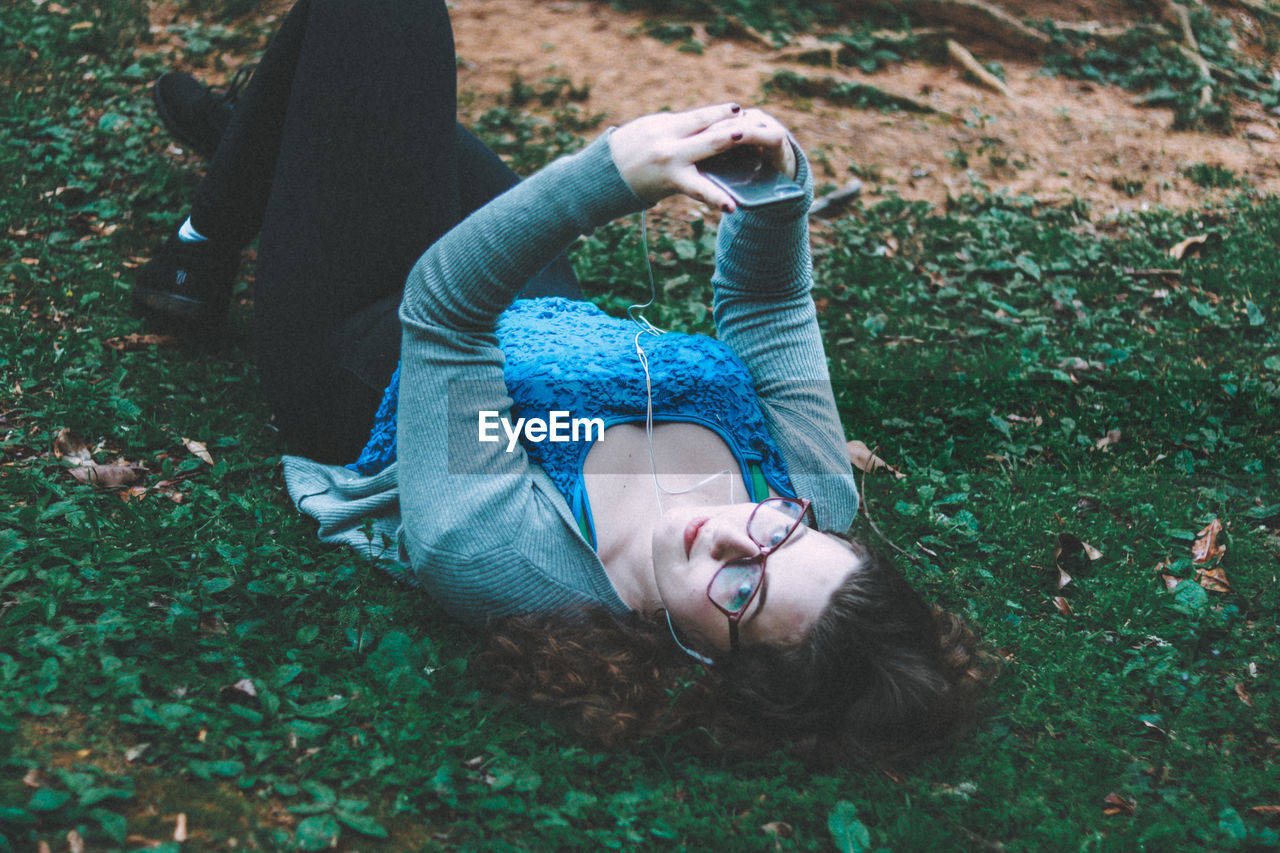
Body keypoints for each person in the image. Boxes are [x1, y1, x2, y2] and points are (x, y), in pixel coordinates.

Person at [136, 0, 990, 764]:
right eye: (783, 533)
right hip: (549, 314)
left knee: (380, 28)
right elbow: (769, 308)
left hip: (371, 347)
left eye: (743, 589)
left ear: (722, 672)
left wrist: (605, 177)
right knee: (378, 109)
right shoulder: (814, 493)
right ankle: (260, 137)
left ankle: (208, 231)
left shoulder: (505, 559)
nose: (731, 534)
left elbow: (443, 309)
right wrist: (773, 186)